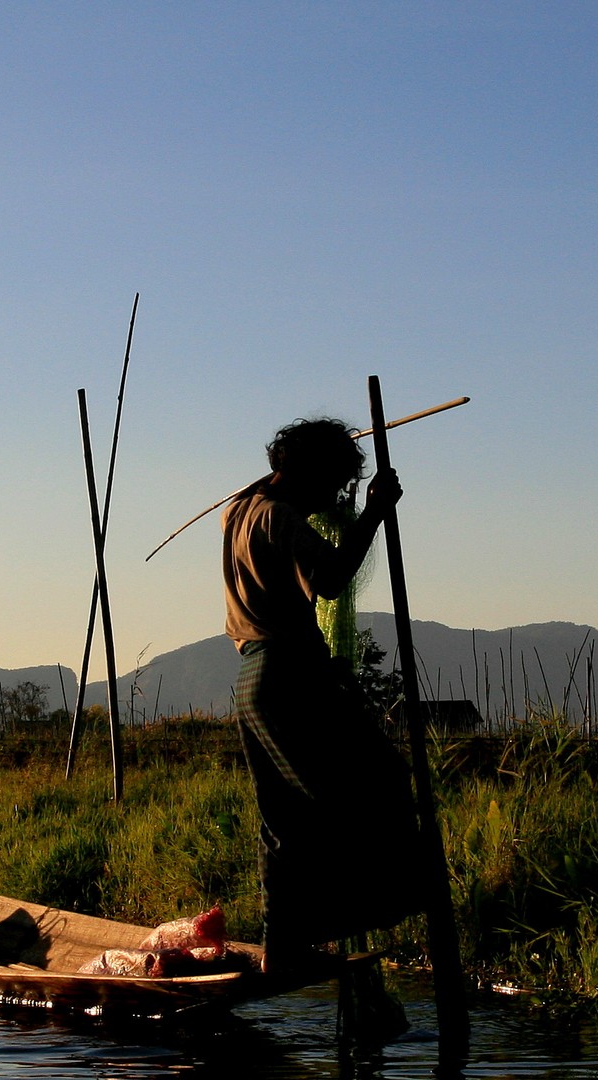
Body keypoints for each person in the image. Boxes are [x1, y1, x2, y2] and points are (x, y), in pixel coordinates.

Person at [222, 418, 421, 975]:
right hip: (287, 673)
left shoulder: (239, 511)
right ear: (306, 474)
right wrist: (375, 512)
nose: (332, 498)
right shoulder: (280, 518)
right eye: (333, 483)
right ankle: (365, 913)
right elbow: (331, 578)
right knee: (374, 782)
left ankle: (281, 946)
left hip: (252, 680)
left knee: (284, 819)